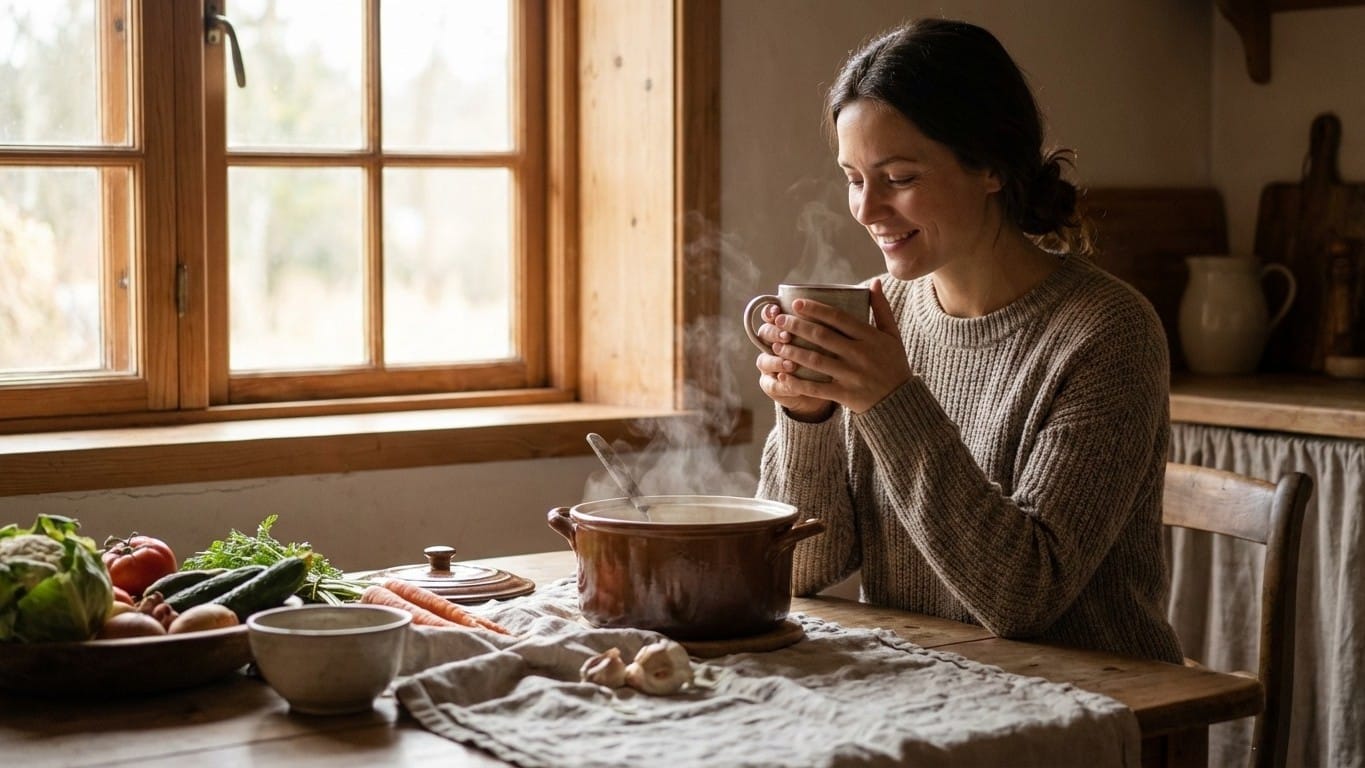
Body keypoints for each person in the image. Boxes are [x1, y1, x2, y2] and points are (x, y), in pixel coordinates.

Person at [751, 18, 1183, 664]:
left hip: (1090, 696)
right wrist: (807, 417)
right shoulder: (880, 315)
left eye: (899, 178)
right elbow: (798, 570)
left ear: (990, 167)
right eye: (853, 178)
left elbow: (1023, 596)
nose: (866, 210)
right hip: (927, 683)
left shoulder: (1108, 331)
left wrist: (890, 401)